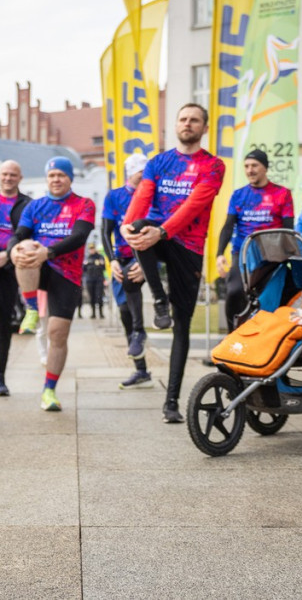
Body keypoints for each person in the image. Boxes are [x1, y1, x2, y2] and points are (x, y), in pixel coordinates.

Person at [121, 103, 226, 423]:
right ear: (176, 125)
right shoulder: (159, 162)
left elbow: (194, 205)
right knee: (138, 226)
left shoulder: (213, 165)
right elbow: (142, 197)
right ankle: (158, 299)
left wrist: (163, 232)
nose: (187, 124)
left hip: (188, 246)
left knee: (182, 323)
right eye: (182, 119)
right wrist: (126, 225)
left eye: (194, 120)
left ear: (204, 128)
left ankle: (171, 403)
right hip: (156, 234)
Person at [9, 156, 96, 412]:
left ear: (70, 178)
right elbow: (19, 235)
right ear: (47, 179)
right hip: (38, 267)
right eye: (52, 175)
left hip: (66, 273)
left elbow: (79, 236)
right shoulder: (35, 206)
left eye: (61, 175)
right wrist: (13, 250)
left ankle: (49, 390)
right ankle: (32, 308)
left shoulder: (84, 204)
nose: (56, 179)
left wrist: (48, 252)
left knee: (57, 334)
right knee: (24, 247)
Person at [215, 149, 295, 330]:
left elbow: (288, 229)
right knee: (234, 291)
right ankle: (232, 334)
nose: (250, 170)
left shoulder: (282, 194)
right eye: (246, 166)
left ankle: (266, 337)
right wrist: (220, 254)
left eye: (254, 166)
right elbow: (228, 226)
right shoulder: (238, 195)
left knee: (268, 299)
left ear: (265, 168)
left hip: (272, 256)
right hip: (243, 254)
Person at [101, 153, 152, 387]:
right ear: (131, 173)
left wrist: (148, 265)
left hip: (145, 255)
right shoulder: (114, 196)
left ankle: (140, 331)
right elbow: (105, 231)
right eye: (141, 173)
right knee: (124, 311)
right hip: (120, 258)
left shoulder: (153, 195)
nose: (145, 177)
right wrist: (111, 260)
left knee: (133, 288)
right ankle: (141, 370)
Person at [0, 159, 31, 396]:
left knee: (4, 322)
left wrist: (7, 255)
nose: (8, 178)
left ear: (20, 178)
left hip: (11, 266)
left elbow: (30, 235)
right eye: (4, 174)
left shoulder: (28, 204)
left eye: (13, 175)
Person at [82, 243, 106, 318]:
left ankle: (101, 313)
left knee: (99, 296)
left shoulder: (100, 257)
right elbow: (83, 269)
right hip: (90, 280)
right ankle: (93, 313)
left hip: (99, 279)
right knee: (91, 297)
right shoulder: (87, 257)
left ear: (95, 249)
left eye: (93, 248)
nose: (92, 250)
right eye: (90, 249)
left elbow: (103, 267)